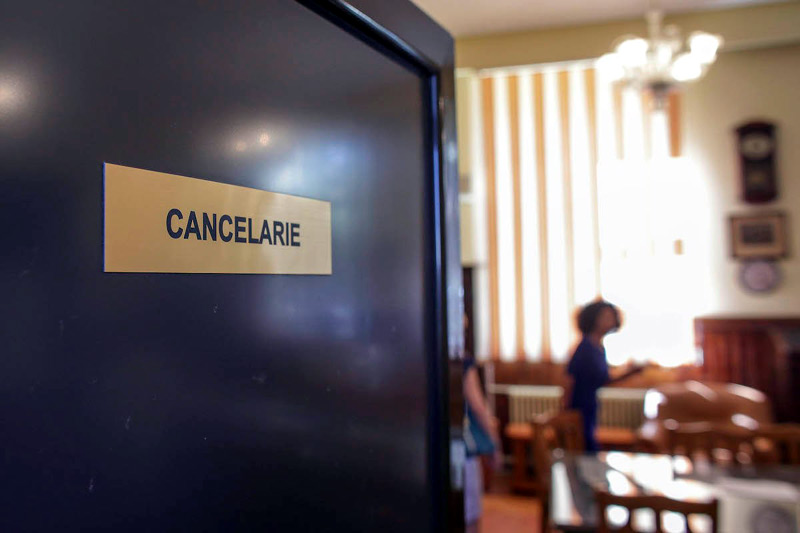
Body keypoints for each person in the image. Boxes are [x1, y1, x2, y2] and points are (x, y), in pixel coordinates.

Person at [564, 300, 644, 453]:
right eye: (605, 317)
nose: (610, 321)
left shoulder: (598, 346)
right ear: (593, 319)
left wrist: (630, 373)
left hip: (590, 405)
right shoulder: (586, 347)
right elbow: (570, 380)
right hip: (579, 407)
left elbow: (603, 379)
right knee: (585, 448)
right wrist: (566, 413)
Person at [463, 353, 502, 532]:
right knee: (469, 516)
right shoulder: (462, 360)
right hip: (462, 448)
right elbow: (478, 406)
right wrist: (495, 443)